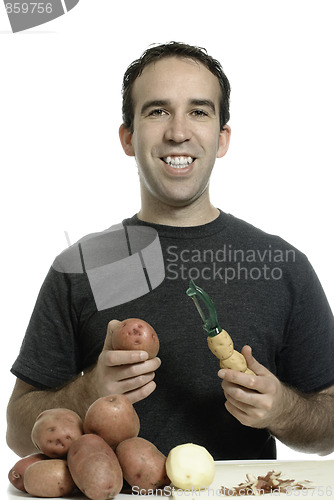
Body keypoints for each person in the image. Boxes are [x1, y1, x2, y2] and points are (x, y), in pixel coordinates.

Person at [6, 42, 334, 461]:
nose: (178, 131)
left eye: (199, 111)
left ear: (222, 138)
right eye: (157, 110)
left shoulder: (284, 266)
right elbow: (18, 430)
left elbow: (329, 428)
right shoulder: (81, 267)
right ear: (127, 137)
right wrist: (88, 392)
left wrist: (284, 409)